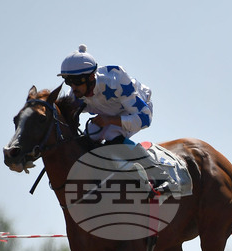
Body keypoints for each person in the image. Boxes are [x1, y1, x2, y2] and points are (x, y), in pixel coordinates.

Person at [58, 44, 169, 194]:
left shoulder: (118, 83)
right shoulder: (76, 94)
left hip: (136, 109)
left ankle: (157, 173)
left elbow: (144, 119)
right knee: (90, 134)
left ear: (91, 77)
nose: (73, 87)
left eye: (76, 81)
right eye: (68, 81)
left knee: (111, 134)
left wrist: (109, 120)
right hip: (109, 111)